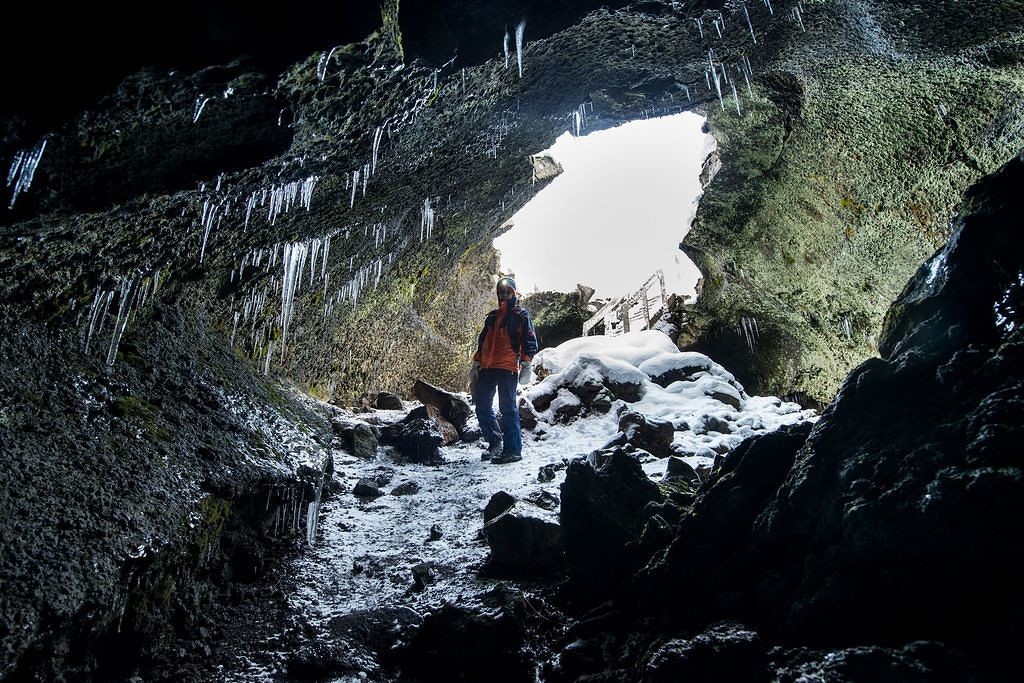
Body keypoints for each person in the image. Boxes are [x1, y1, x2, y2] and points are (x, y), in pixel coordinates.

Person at [469, 276, 538, 464]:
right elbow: (482, 342)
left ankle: (513, 450)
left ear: (514, 293)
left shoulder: (521, 316)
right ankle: (495, 443)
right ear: (498, 293)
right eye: (501, 291)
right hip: (487, 367)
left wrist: (526, 363)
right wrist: (476, 363)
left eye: (508, 291)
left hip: (508, 367)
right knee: (482, 406)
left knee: (507, 408)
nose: (504, 294)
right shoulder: (491, 317)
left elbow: (530, 341)